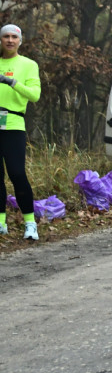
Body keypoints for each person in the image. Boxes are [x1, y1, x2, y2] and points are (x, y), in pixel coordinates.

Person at [0, 24, 42, 240]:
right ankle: (1, 224)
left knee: (17, 174)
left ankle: (30, 224)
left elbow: (35, 95)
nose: (9, 40)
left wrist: (11, 82)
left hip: (14, 124)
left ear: (20, 41)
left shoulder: (28, 65)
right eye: (5, 36)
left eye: (13, 37)